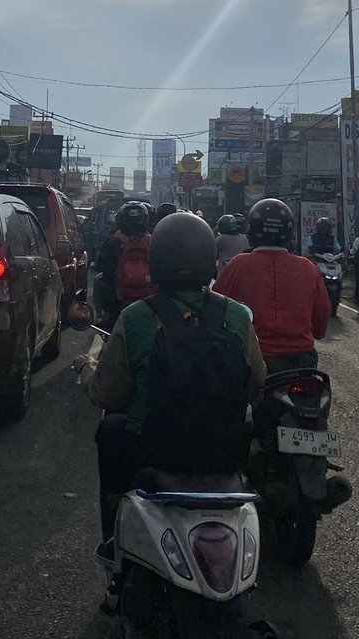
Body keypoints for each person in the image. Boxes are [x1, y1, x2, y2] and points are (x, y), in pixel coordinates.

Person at [73, 213, 266, 551]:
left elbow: (107, 394)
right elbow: (256, 384)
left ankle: (113, 543)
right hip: (224, 449)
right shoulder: (235, 314)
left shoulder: (136, 317)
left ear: (157, 258)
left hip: (155, 449)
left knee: (110, 431)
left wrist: (88, 368)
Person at [214, 198, 331, 374]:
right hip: (302, 359)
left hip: (254, 359)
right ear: (289, 231)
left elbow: (216, 308)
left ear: (252, 230)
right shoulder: (308, 267)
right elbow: (322, 313)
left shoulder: (238, 264)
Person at [93, 200, 154, 329]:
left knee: (98, 280)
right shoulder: (153, 241)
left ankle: (100, 316)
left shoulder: (114, 241)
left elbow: (101, 266)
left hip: (118, 302)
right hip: (151, 300)